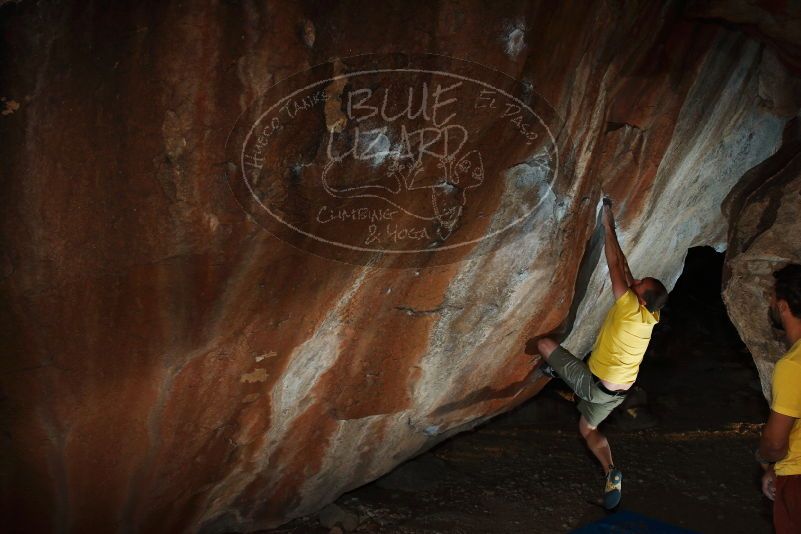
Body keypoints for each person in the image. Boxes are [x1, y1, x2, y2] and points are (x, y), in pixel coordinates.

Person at [535, 198, 668, 509]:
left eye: (638, 285)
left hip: (595, 386)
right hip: (618, 392)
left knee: (543, 344)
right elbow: (625, 268)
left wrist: (607, 224)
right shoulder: (651, 315)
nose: (634, 282)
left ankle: (555, 371)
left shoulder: (627, 309)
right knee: (587, 428)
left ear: (640, 298)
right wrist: (618, 240)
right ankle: (610, 469)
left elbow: (613, 267)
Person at [756, 264, 801, 533]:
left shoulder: (793, 364)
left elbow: (774, 443)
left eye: (772, 299)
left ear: (783, 307)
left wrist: (766, 459)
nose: (770, 304)